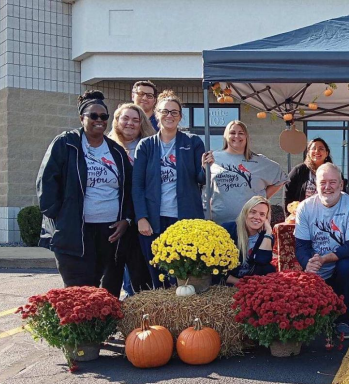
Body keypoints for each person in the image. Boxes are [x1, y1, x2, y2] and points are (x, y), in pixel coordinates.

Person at [36, 90, 132, 295]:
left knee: (107, 292)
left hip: (110, 232)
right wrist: (61, 217)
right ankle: (82, 328)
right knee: (78, 292)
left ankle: (104, 327)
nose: (99, 120)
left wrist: (126, 219)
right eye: (93, 116)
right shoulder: (66, 144)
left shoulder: (115, 151)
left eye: (103, 116)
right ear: (82, 118)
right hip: (76, 231)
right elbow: (47, 182)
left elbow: (129, 188)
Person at [132, 90, 207, 288]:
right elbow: (137, 185)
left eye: (174, 112)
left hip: (184, 218)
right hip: (154, 219)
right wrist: (141, 217)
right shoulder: (146, 145)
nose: (169, 116)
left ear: (180, 116)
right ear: (157, 114)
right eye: (165, 112)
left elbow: (201, 179)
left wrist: (206, 168)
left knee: (183, 272)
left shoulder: (192, 142)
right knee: (158, 273)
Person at [294, 163, 349, 339]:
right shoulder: (304, 207)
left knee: (343, 269)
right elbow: (301, 246)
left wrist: (323, 259)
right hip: (317, 258)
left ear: (341, 184)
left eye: (333, 182)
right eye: (323, 182)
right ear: (316, 184)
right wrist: (309, 263)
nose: (327, 187)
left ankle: (344, 319)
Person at [107, 103, 155, 294]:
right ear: (117, 121)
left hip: (141, 219)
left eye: (136, 120)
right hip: (112, 219)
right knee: (110, 276)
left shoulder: (150, 147)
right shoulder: (106, 147)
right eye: (125, 118)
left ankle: (142, 320)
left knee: (140, 276)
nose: (130, 123)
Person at [201, 120, 288, 224]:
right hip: (220, 223)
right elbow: (204, 185)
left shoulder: (259, 161)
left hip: (250, 225)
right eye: (232, 133)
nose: (237, 136)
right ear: (225, 136)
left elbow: (281, 179)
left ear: (246, 136)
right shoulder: (213, 158)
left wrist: (262, 197)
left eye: (241, 133)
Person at [221, 195, 275, 284]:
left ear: (266, 218)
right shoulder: (228, 229)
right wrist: (239, 283)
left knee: (269, 269)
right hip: (230, 277)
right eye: (253, 212)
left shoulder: (266, 236)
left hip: (251, 278)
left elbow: (263, 261)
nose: (257, 217)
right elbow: (217, 267)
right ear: (245, 213)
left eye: (262, 214)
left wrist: (269, 232)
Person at [284, 137, 341, 209]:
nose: (317, 151)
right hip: (304, 215)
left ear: (327, 153)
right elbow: (287, 192)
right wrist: (289, 215)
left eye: (321, 149)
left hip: (329, 215)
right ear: (308, 152)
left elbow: (341, 192)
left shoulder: (334, 171)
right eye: (314, 148)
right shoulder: (299, 171)